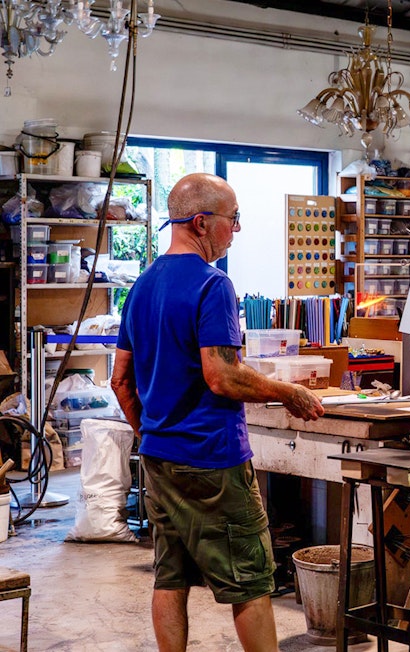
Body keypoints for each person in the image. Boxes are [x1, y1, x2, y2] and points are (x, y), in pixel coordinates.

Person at [111, 172, 324, 652]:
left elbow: (120, 379)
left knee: (170, 577)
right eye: (234, 219)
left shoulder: (142, 286)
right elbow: (221, 375)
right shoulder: (213, 285)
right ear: (202, 222)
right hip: (213, 460)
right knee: (250, 581)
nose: (238, 230)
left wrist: (149, 434)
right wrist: (286, 391)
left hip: (159, 459)